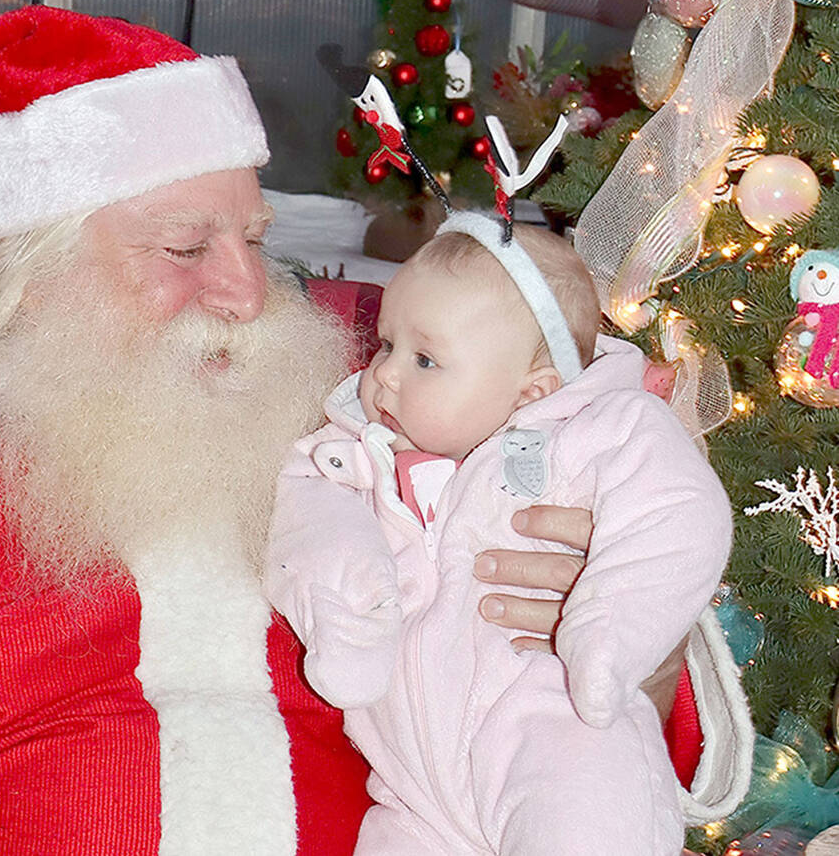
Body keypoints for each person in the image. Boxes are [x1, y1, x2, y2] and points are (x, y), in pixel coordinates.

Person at [0, 6, 748, 856]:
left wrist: (631, 666)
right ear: (31, 265)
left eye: (257, 239)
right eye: (185, 248)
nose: (251, 295)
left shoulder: (385, 414)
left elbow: (630, 732)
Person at [265, 215, 735, 853]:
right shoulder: (350, 456)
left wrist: (609, 634)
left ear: (530, 392)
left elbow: (678, 518)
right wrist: (347, 617)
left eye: (425, 358)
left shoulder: (602, 434)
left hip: (562, 735)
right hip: (414, 796)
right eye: (384, 345)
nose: (386, 376)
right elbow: (304, 528)